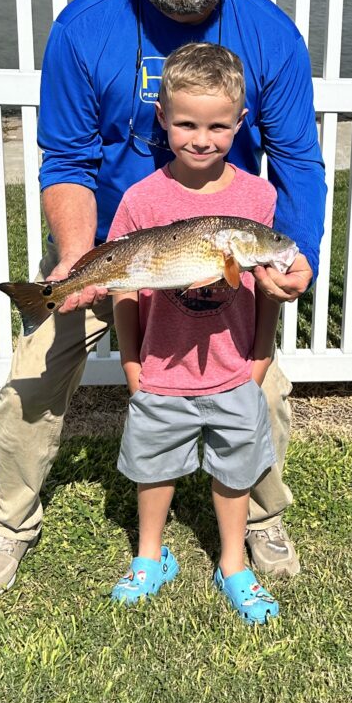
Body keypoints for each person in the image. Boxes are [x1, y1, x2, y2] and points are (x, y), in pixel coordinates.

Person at [0, 0, 327, 597]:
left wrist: (302, 257)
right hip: (110, 247)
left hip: (221, 255)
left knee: (265, 390)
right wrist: (75, 261)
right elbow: (65, 159)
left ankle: (260, 516)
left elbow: (298, 162)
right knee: (31, 381)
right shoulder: (83, 28)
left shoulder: (272, 36)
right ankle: (11, 520)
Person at [109, 42, 287, 624]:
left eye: (217, 125)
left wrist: (259, 360)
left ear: (241, 122)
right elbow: (124, 289)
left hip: (234, 367)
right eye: (185, 123)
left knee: (235, 471)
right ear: (161, 119)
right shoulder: (141, 199)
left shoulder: (258, 197)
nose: (201, 137)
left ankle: (233, 562)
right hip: (161, 368)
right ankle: (149, 556)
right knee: (153, 467)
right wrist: (132, 365)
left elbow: (264, 284)